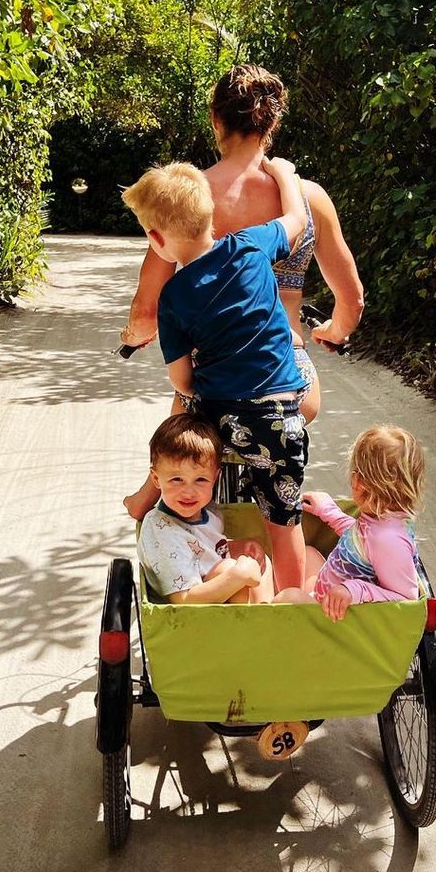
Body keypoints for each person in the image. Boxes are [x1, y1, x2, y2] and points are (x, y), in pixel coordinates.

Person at [121, 64, 364, 518]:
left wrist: (133, 335)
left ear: (215, 120)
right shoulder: (307, 197)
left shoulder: (186, 197)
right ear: (272, 124)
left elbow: (147, 308)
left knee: (187, 405)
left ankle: (151, 491)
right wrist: (334, 330)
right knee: (279, 471)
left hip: (213, 395)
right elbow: (351, 301)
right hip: (288, 384)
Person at [121, 157, 309, 592]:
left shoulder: (174, 296)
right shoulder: (251, 245)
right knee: (284, 520)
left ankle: (151, 495)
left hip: (223, 416)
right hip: (279, 415)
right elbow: (296, 218)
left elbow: (182, 381)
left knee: (182, 420)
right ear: (211, 216)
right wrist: (282, 172)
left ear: (156, 239)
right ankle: (292, 603)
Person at [275, 426, 426, 622]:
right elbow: (360, 541)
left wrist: (354, 590)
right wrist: (330, 513)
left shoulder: (388, 540)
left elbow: (406, 600)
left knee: (289, 597)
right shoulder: (382, 521)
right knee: (309, 554)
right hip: (330, 601)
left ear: (357, 482)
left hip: (340, 619)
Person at [137, 414, 275, 604]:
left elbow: (203, 550)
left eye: (201, 480)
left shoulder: (208, 512)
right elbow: (184, 600)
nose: (188, 492)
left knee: (259, 560)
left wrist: (236, 546)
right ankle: (260, 623)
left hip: (223, 601)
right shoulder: (161, 529)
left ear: (215, 477)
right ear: (156, 479)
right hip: (196, 619)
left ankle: (268, 614)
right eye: (176, 479)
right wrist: (238, 575)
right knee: (229, 568)